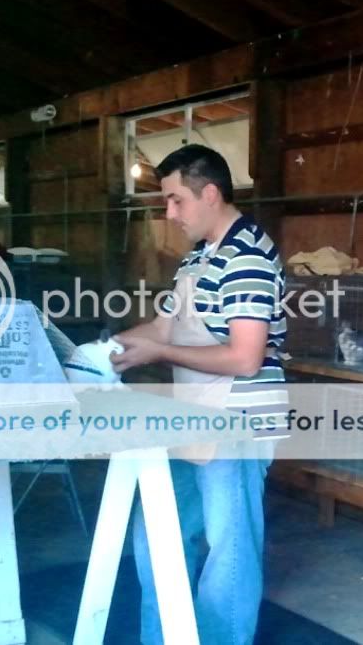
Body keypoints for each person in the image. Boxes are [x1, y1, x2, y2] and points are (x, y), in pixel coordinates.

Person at [110, 144, 287, 645]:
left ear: (209, 193)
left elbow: (244, 358)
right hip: (194, 417)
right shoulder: (200, 256)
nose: (169, 214)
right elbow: (165, 328)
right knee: (156, 535)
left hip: (236, 416)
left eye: (175, 200)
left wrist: (156, 356)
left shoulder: (247, 257)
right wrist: (101, 350)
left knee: (229, 550)